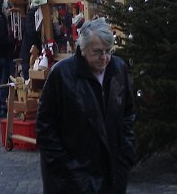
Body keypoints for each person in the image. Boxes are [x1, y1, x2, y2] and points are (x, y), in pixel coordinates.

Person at [36, 18, 136, 193]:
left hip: (112, 172)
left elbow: (128, 114)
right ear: (83, 49)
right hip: (73, 174)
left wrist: (125, 154)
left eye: (108, 51)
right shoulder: (61, 75)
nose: (104, 58)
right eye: (97, 52)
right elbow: (45, 128)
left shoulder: (118, 69)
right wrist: (67, 169)